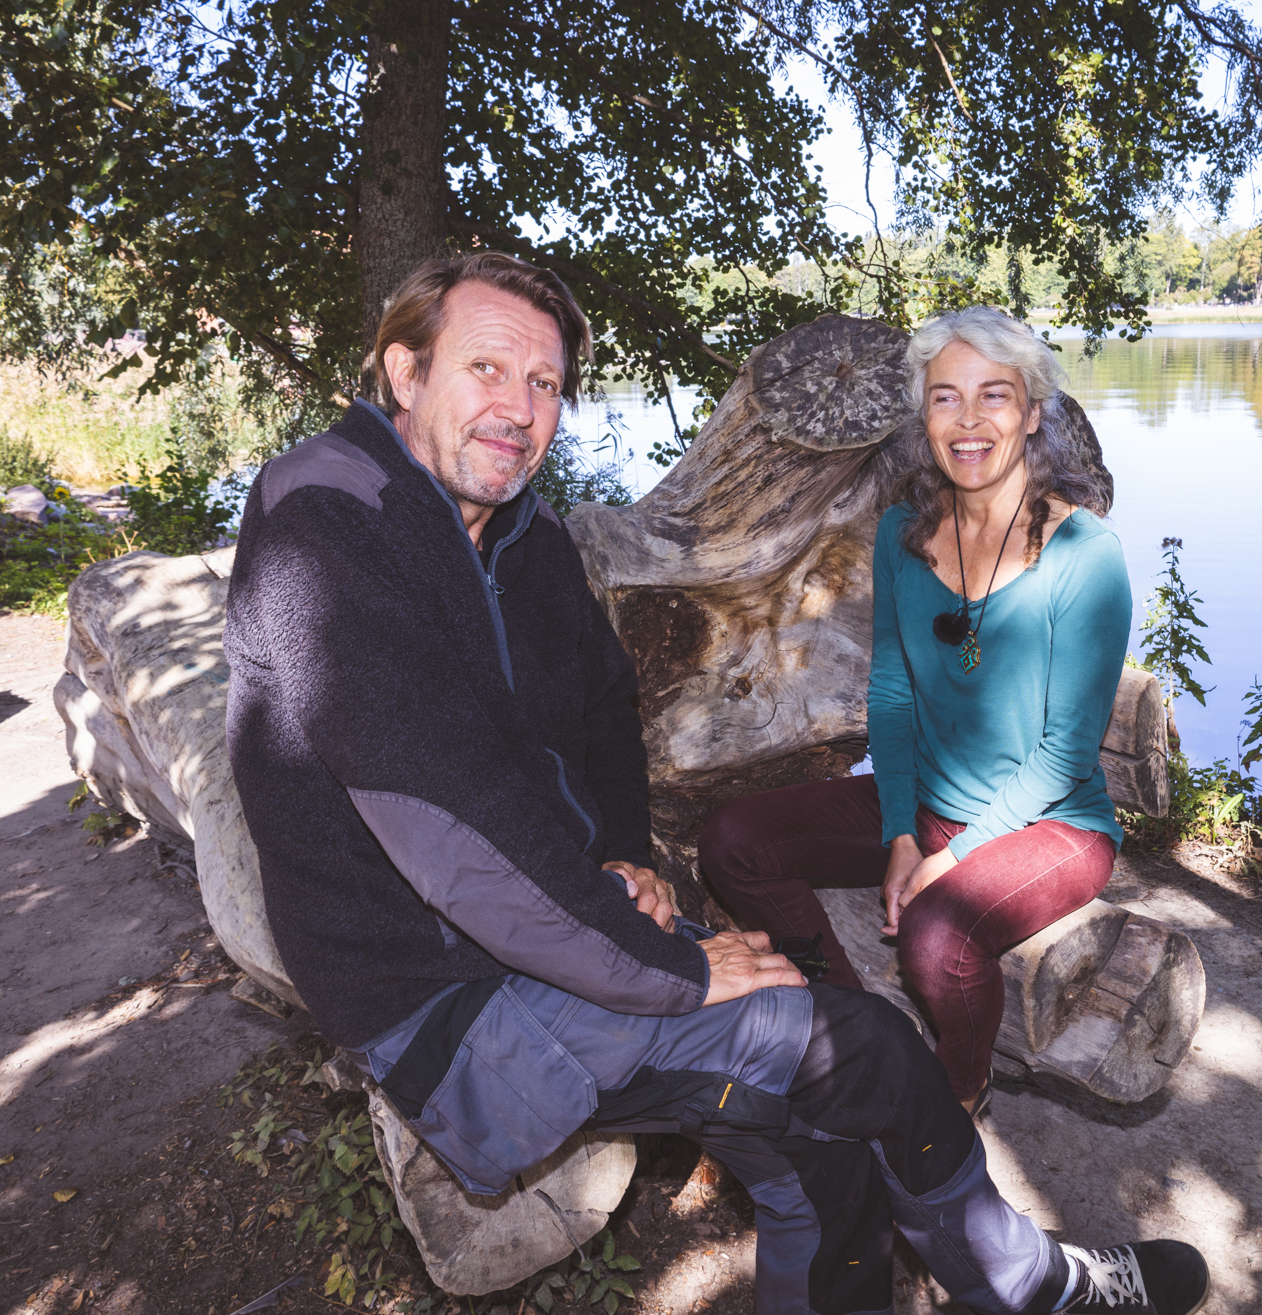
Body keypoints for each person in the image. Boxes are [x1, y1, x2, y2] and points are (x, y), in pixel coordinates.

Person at [224, 256, 1206, 1315]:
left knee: (824, 1159)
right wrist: (675, 970)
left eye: (545, 384)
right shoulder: (330, 516)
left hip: (542, 932)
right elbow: (450, 828)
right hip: (453, 1002)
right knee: (863, 1049)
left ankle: (996, 1275)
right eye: (487, 368)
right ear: (405, 371)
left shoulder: (522, 531)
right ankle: (1032, 1287)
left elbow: (602, 701)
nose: (519, 408)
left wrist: (623, 852)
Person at [700, 306, 1131, 1117]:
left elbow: (1065, 754)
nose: (968, 422)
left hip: (1052, 825)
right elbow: (893, 694)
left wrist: (952, 858)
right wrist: (902, 832)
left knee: (940, 935)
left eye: (994, 395)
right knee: (732, 840)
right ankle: (851, 1023)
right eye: (945, 398)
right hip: (926, 803)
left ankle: (958, 1089)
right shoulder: (903, 532)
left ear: (1033, 413)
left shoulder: (1086, 557)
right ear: (923, 413)